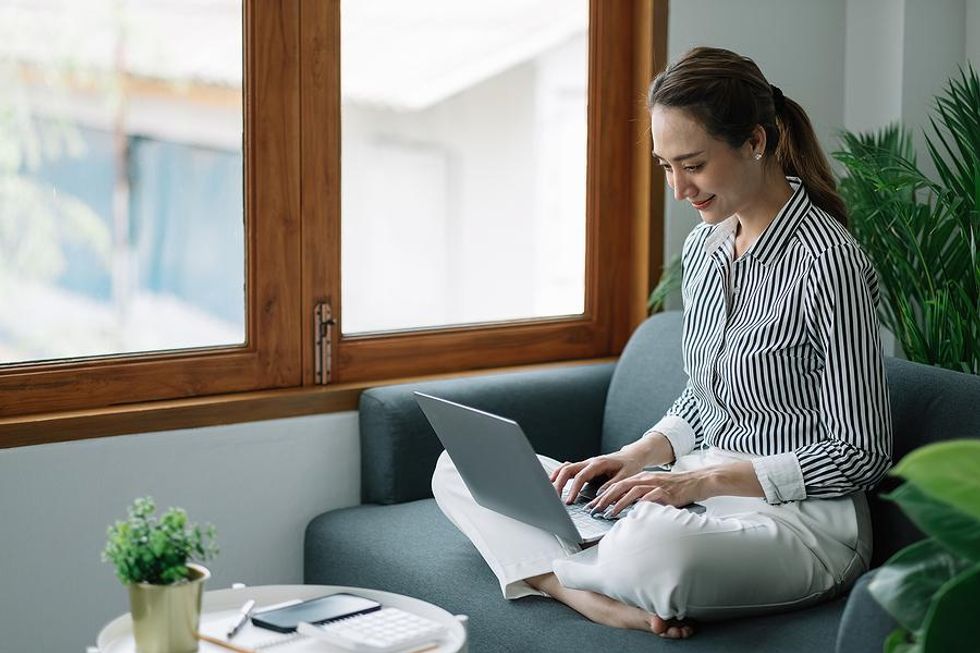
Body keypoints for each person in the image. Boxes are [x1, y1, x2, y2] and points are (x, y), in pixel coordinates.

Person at [431, 46, 893, 640]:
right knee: (459, 467)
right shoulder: (704, 247)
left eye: (693, 164)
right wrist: (641, 453)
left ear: (755, 142)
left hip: (799, 523)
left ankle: (570, 564)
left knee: (654, 548)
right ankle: (575, 586)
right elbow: (704, 398)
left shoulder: (832, 264)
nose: (678, 190)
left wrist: (698, 483)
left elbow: (861, 452)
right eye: (665, 166)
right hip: (691, 498)